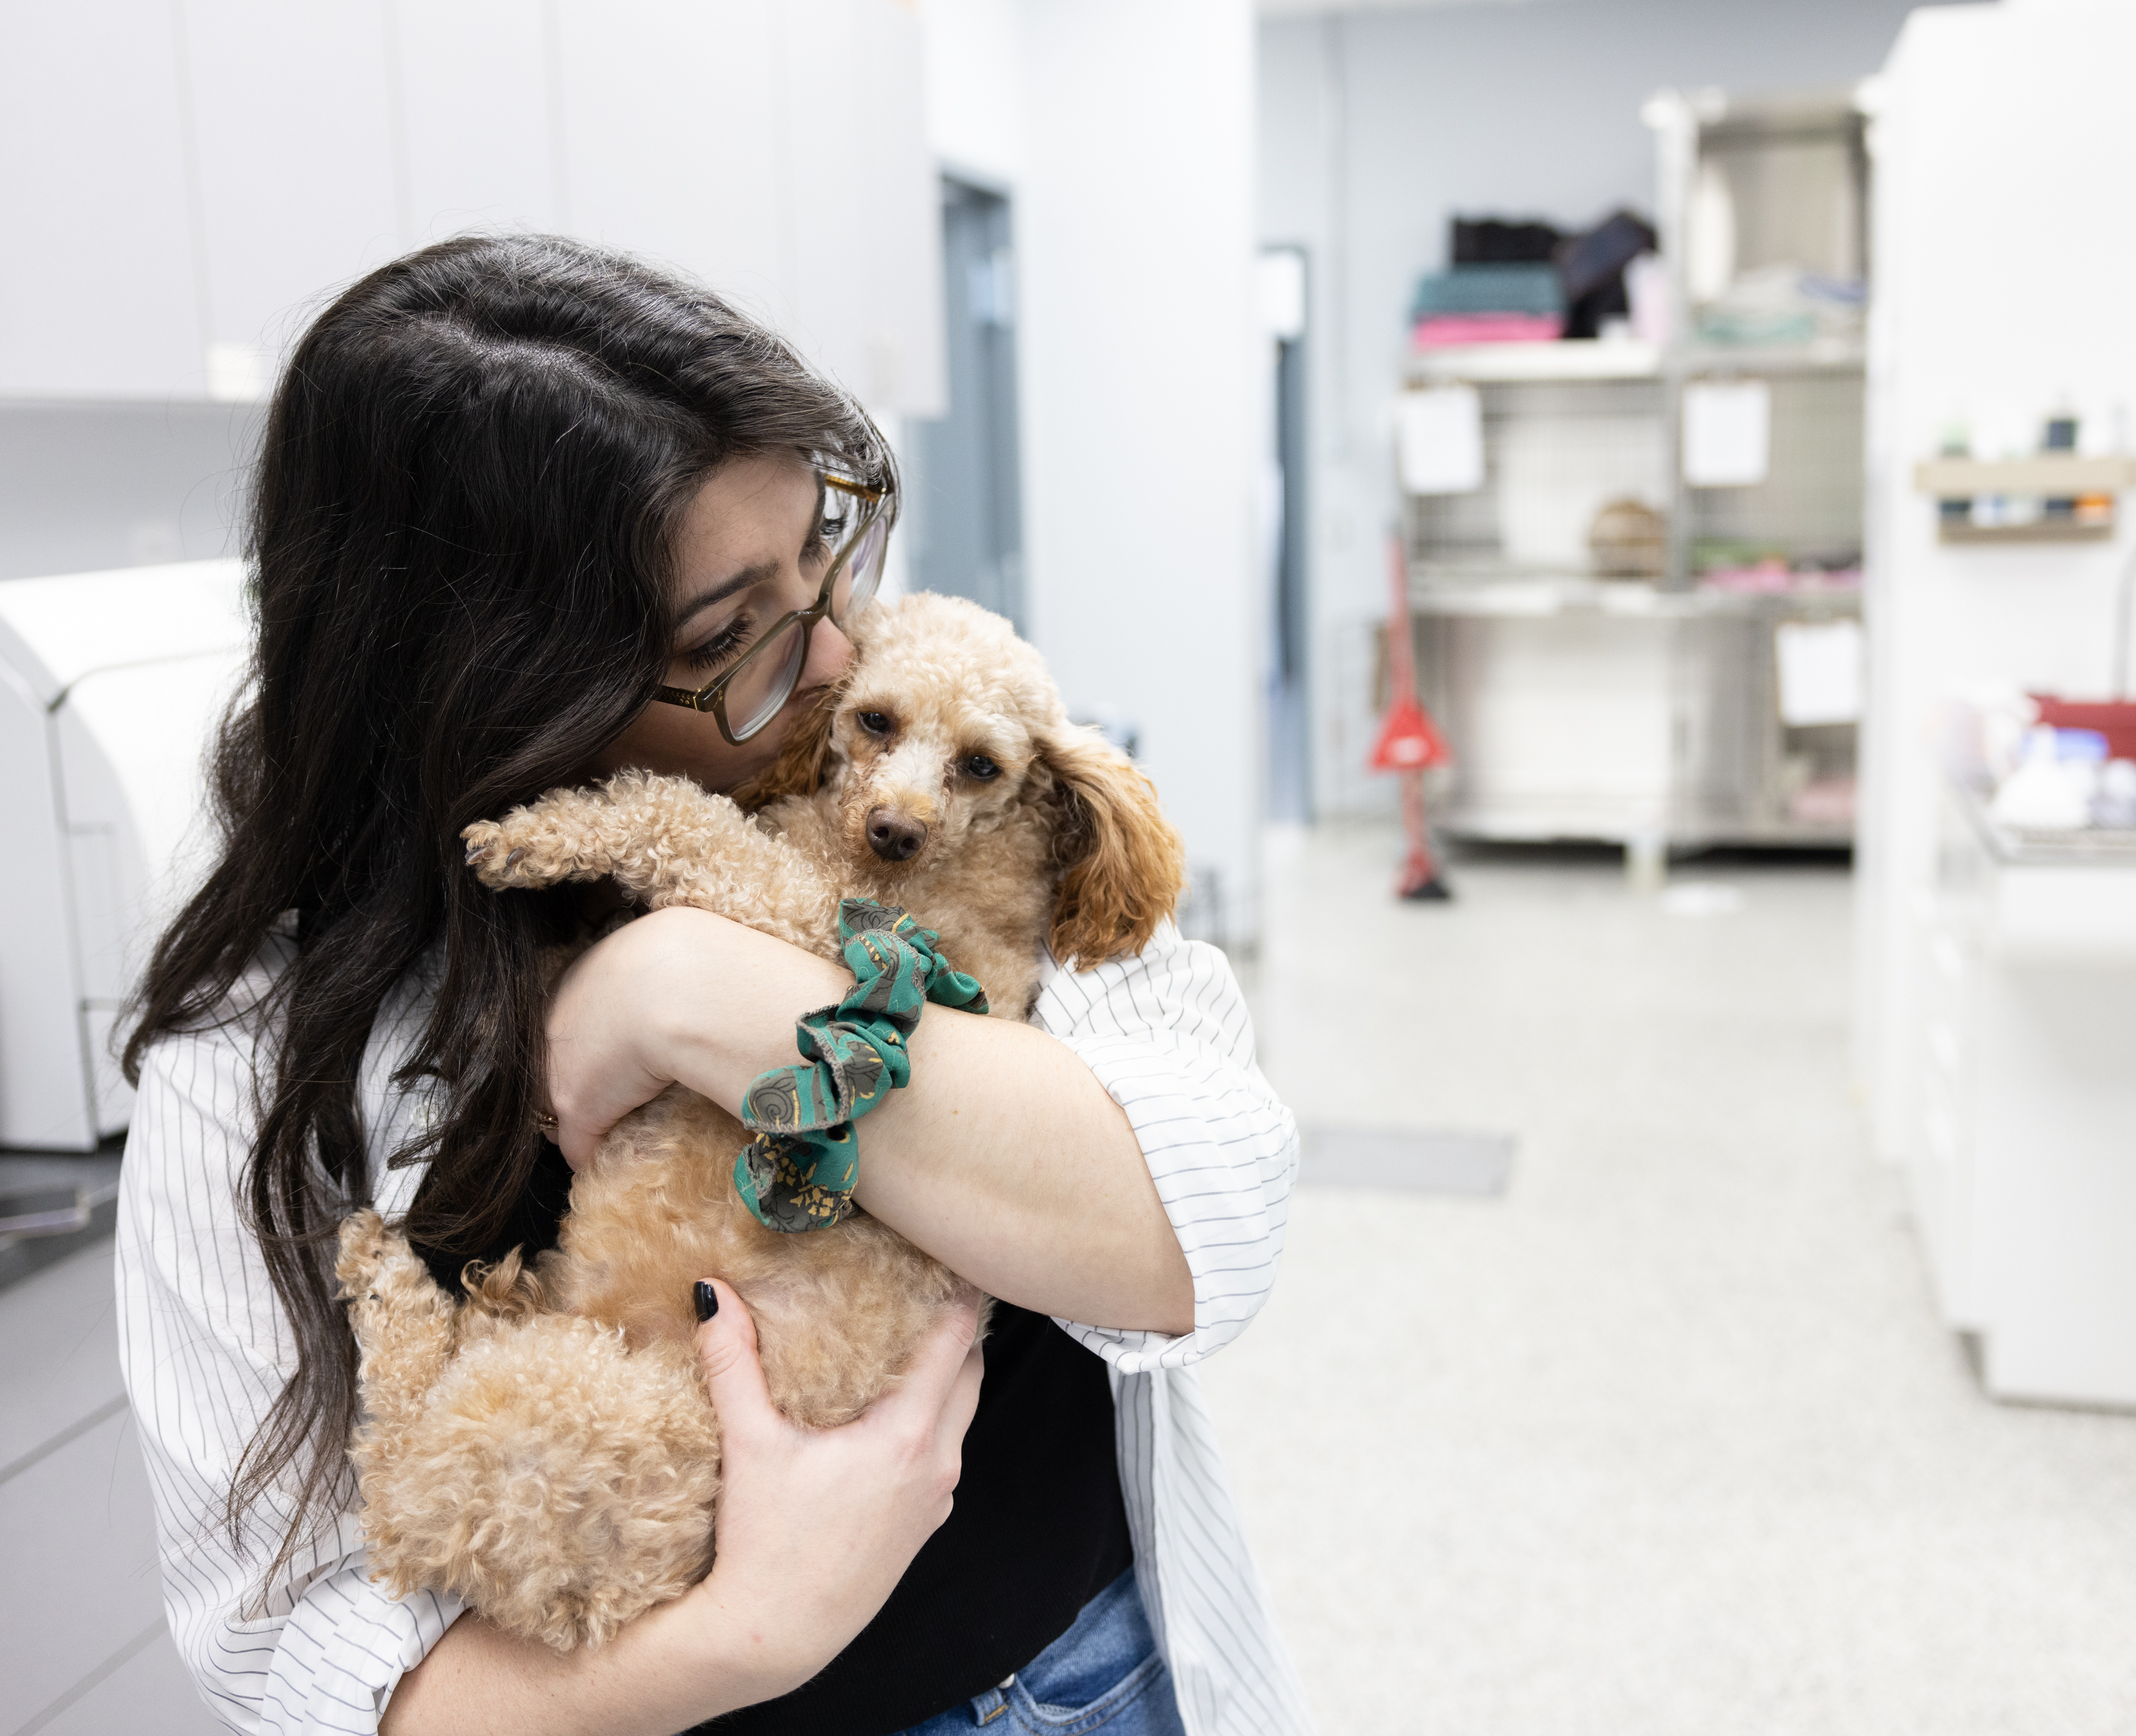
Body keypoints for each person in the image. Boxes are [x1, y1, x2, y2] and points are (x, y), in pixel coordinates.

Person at [116, 234, 1306, 1736]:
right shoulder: (257, 1055)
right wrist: (748, 1637)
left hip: (1088, 1673)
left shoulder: (934, 793)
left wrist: (696, 991)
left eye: (823, 549)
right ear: (500, 685)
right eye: (730, 631)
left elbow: (1207, 1224)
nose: (830, 658)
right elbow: (289, 1662)